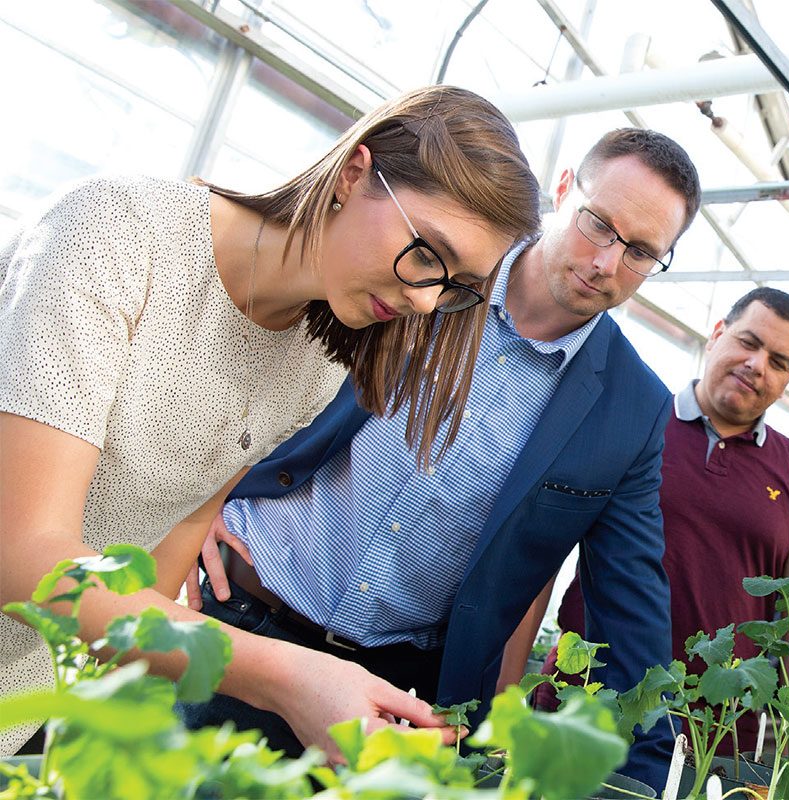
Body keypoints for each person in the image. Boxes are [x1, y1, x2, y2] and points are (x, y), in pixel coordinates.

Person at [0, 84, 543, 758]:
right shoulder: (117, 234)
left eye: (456, 285)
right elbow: (24, 554)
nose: (427, 301)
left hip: (26, 696)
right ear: (353, 174)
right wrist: (284, 675)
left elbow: (161, 559)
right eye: (427, 252)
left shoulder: (314, 360)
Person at [183, 128, 702, 785]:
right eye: (599, 225)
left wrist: (643, 781)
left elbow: (632, 599)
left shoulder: (631, 406)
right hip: (245, 624)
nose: (607, 262)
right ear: (564, 189)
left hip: (390, 698)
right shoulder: (437, 261)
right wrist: (195, 497)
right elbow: (258, 339)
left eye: (640, 252)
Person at [523, 287, 789, 756]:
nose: (757, 365)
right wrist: (502, 697)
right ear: (716, 334)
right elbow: (537, 559)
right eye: (748, 342)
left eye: (779, 361)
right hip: (588, 696)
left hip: (719, 730)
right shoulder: (632, 422)